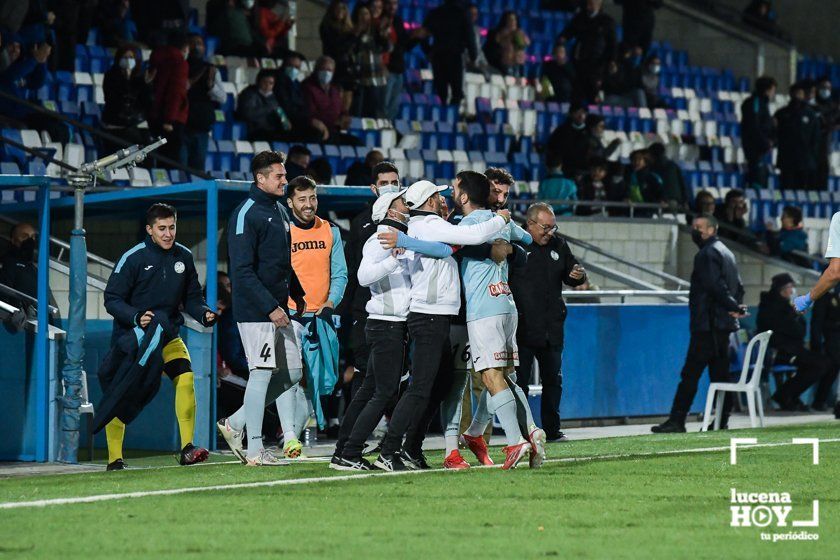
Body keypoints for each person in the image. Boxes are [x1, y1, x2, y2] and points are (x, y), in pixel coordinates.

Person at [371, 178, 511, 470]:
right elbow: (471, 236)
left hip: (436, 315)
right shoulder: (429, 224)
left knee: (438, 385)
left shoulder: (426, 226)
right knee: (420, 387)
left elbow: (448, 250)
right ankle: (390, 450)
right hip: (429, 315)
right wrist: (499, 219)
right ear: (430, 201)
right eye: (437, 195)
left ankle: (409, 448)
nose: (443, 199)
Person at [331, 190, 454, 470]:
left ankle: (343, 450)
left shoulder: (398, 237)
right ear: (389, 211)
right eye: (401, 203)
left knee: (371, 390)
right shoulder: (380, 238)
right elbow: (363, 277)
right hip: (387, 325)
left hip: (388, 325)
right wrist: (393, 259)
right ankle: (350, 452)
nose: (406, 206)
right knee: (383, 392)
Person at [102, 203, 217, 470]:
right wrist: (135, 316)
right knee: (121, 396)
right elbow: (112, 299)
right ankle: (114, 459)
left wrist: (203, 313)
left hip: (168, 337)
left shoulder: (184, 257)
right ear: (149, 230)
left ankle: (187, 448)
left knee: (186, 379)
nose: (168, 234)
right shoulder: (133, 258)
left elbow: (192, 298)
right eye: (162, 229)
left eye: (172, 227)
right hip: (135, 340)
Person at [217, 151, 307, 466]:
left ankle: (236, 422)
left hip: (279, 306)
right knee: (262, 373)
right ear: (261, 178)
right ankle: (254, 450)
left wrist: (297, 292)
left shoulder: (280, 211)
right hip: (256, 311)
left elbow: (281, 262)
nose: (285, 180)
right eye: (279, 176)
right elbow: (241, 272)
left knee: (293, 373)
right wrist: (270, 307)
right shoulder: (245, 214)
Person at [333, 161, 404, 463]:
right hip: (371, 315)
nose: (389, 186)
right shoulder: (366, 226)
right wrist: (345, 314)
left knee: (373, 386)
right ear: (374, 188)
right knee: (374, 387)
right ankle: (353, 447)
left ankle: (349, 446)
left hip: (386, 316)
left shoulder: (400, 228)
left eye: (394, 181)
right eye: (384, 182)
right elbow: (354, 275)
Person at [652, 214, 746, 433]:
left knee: (690, 374)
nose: (695, 231)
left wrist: (733, 306)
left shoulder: (707, 254)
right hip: (723, 327)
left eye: (700, 227)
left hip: (708, 325)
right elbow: (738, 287)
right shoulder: (727, 252)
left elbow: (715, 286)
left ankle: (677, 420)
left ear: (712, 229)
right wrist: (735, 307)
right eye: (694, 226)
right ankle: (722, 420)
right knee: (721, 376)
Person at [282, 175, 348, 456]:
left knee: (317, 382)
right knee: (292, 377)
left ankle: (290, 436)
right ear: (290, 202)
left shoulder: (330, 231)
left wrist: (331, 303)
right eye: (302, 199)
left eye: (312, 198)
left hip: (322, 317)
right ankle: (289, 437)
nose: (308, 205)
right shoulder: (283, 231)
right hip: (291, 316)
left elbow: (341, 273)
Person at [511, 202, 586, 441]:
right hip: (522, 328)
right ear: (530, 224)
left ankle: (552, 430)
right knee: (519, 383)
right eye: (545, 227)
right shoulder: (516, 244)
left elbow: (572, 272)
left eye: (553, 227)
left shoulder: (559, 245)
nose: (549, 233)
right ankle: (522, 432)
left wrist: (578, 275)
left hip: (551, 328)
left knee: (553, 381)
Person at [757, 273, 829, 410]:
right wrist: (795, 315)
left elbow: (799, 331)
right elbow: (794, 330)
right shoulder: (772, 307)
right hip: (780, 352)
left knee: (823, 362)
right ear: (782, 289)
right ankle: (785, 395)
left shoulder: (785, 306)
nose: (792, 291)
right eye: (790, 287)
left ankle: (789, 395)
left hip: (792, 348)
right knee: (818, 364)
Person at [0, 36, 69, 143]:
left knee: (59, 125)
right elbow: (9, 77)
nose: (14, 50)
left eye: (18, 47)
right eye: (11, 46)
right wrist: (35, 59)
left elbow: (38, 82)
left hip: (25, 113)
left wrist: (42, 61)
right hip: (13, 116)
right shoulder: (5, 67)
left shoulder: (21, 67)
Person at [99, 45, 153, 164]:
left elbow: (146, 102)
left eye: (131, 57)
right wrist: (126, 80)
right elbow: (112, 100)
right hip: (115, 125)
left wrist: (146, 85)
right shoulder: (110, 76)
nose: (128, 60)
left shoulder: (139, 78)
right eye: (125, 57)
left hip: (134, 125)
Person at [555, 0, 616, 101]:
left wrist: (612, 61)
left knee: (592, 96)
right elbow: (566, 33)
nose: (588, 7)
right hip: (579, 62)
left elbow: (612, 45)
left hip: (596, 67)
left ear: (599, 4)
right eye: (588, 3)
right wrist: (560, 45)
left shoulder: (607, 22)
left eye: (591, 4)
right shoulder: (580, 18)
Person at [422, 0, 476, 106]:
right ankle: (451, 116)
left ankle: (441, 115)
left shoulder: (436, 13)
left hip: (438, 55)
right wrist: (473, 55)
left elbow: (423, 35)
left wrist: (428, 50)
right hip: (455, 56)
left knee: (440, 92)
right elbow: (470, 36)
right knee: (457, 93)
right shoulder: (463, 13)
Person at [148, 33, 190, 167]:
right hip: (171, 119)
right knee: (170, 162)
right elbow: (175, 93)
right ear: (185, 47)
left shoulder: (158, 59)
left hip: (155, 114)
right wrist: (169, 120)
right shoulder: (180, 63)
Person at [184, 34, 225, 171]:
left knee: (198, 168)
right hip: (182, 125)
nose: (196, 46)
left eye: (199, 43)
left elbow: (222, 98)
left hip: (201, 125)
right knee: (180, 168)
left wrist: (211, 86)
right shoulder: (181, 67)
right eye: (193, 43)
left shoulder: (211, 69)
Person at [302, 56, 360, 145]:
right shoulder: (307, 87)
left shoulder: (334, 90)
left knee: (356, 142)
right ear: (316, 70)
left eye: (329, 70)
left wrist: (345, 117)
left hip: (334, 131)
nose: (326, 73)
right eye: (323, 69)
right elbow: (310, 113)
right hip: (317, 131)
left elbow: (342, 110)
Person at [774, 82, 820, 191]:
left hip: (805, 162)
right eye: (795, 93)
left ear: (804, 95)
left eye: (799, 93)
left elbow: (815, 138)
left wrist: (812, 157)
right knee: (786, 189)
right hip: (787, 160)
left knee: (803, 191)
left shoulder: (811, 115)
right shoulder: (781, 113)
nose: (797, 96)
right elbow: (776, 134)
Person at [0, 222, 55, 311]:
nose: (30, 240)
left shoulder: (33, 268)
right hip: (20, 321)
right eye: (24, 236)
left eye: (32, 237)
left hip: (39, 320)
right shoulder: (7, 264)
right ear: (13, 240)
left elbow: (45, 298)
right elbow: (4, 295)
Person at [350, 2, 389, 118]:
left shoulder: (376, 30)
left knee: (374, 113)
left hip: (375, 78)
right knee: (357, 113)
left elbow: (387, 48)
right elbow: (351, 50)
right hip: (358, 78)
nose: (364, 17)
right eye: (361, 14)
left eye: (366, 14)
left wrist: (383, 34)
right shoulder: (351, 31)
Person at [319, 0, 357, 112]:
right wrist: (352, 37)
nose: (340, 11)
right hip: (334, 66)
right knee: (336, 96)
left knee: (348, 95)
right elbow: (337, 47)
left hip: (348, 67)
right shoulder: (326, 26)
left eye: (343, 8)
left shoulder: (349, 28)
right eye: (338, 8)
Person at [274, 53, 320, 143]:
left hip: (297, 120)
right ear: (283, 65)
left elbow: (303, 104)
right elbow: (286, 105)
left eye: (297, 67)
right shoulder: (278, 82)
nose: (293, 70)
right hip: (283, 123)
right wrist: (307, 120)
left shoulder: (296, 84)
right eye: (290, 66)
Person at [740, 76, 776, 189]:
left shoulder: (762, 104)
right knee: (757, 178)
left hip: (761, 150)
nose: (773, 94)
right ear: (767, 90)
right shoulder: (755, 102)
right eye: (773, 90)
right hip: (755, 149)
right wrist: (765, 142)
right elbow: (753, 126)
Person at [809, 284, 840, 414]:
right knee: (831, 370)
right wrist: (817, 345)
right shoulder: (824, 296)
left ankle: (821, 401)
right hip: (831, 341)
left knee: (832, 370)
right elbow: (817, 322)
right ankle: (819, 401)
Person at [237, 69, 289, 142]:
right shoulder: (249, 94)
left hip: (271, 130)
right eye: (265, 82)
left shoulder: (273, 97)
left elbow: (280, 112)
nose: (267, 86)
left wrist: (285, 122)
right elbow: (248, 114)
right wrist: (269, 108)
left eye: (271, 83)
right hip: (255, 131)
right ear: (258, 82)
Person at [545, 102, 588, 179]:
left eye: (583, 113)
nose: (581, 116)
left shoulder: (589, 131)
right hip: (564, 171)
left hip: (583, 171)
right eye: (577, 113)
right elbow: (552, 149)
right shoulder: (561, 131)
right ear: (571, 114)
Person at [483, 11, 529, 77]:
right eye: (510, 20)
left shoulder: (518, 34)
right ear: (505, 21)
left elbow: (526, 43)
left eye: (514, 19)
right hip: (498, 66)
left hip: (515, 67)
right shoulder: (495, 33)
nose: (512, 22)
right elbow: (495, 44)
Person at [815, 76, 840, 190]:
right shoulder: (812, 107)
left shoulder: (834, 107)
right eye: (823, 87)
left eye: (828, 88)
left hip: (828, 146)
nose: (825, 90)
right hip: (814, 149)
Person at [622, 149, 663, 217]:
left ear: (645, 161)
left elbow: (660, 192)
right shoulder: (627, 175)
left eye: (639, 159)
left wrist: (662, 199)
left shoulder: (652, 177)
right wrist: (625, 198)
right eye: (634, 159)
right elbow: (624, 190)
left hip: (647, 212)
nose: (636, 162)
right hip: (631, 211)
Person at [648, 143, 688, 211]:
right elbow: (682, 184)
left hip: (662, 202)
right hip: (676, 201)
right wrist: (685, 201)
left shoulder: (653, 168)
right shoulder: (673, 165)